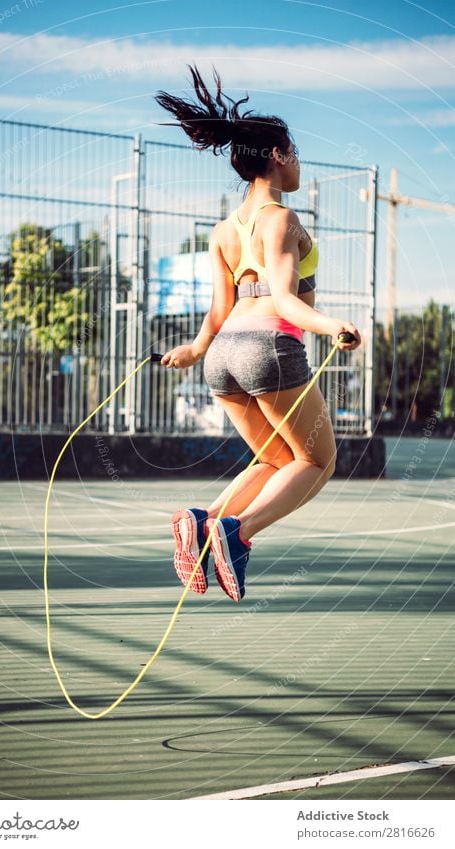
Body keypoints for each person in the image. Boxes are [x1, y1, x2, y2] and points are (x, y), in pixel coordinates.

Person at [154, 64, 361, 603]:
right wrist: (332, 324)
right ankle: (237, 533)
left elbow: (220, 310)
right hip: (268, 346)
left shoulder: (223, 231)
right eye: (293, 150)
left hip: (223, 355)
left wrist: (195, 349)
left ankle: (206, 520)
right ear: (276, 155)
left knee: (274, 459)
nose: (298, 161)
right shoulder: (282, 219)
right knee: (317, 462)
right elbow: (287, 299)